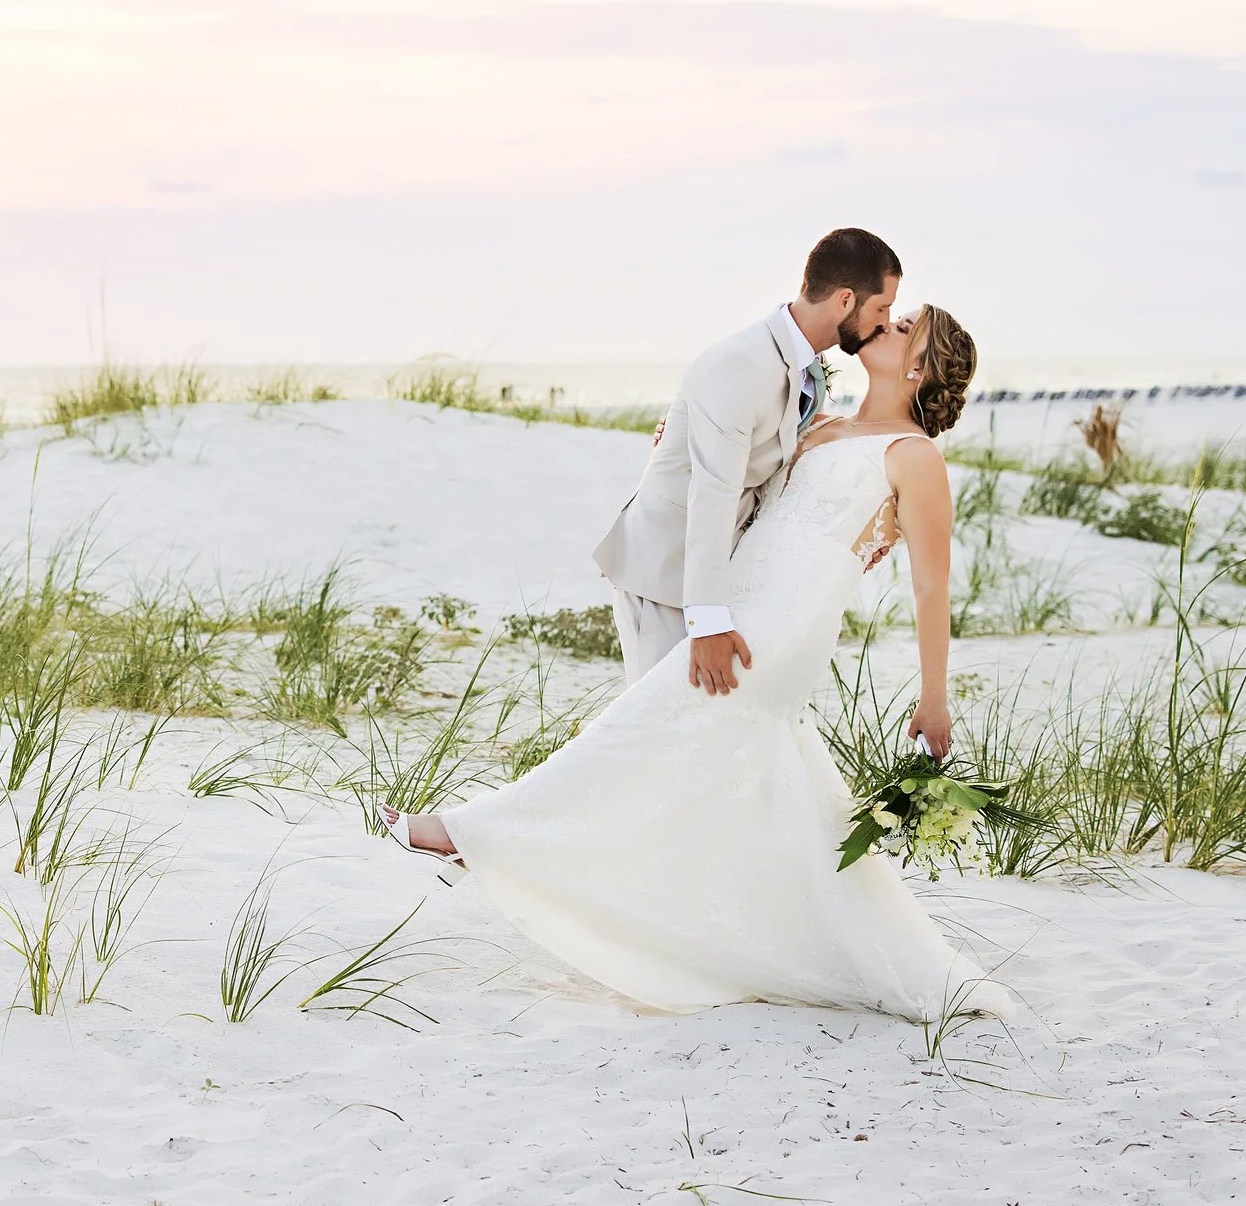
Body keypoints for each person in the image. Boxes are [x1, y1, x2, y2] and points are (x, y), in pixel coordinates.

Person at [382, 305, 1009, 1022]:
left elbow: (932, 586)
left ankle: (472, 834)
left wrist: (936, 698)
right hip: (735, 600)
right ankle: (807, 935)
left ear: (920, 368)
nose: (885, 324)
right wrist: (681, 443)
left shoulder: (913, 455)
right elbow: (735, 484)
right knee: (740, 768)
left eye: (904, 329)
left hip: (787, 622)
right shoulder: (824, 426)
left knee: (650, 720)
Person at [591, 227, 900, 685]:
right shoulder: (741, 363)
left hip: (713, 570)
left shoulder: (801, 365)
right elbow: (713, 492)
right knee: (659, 725)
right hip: (662, 568)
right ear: (845, 300)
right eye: (882, 308)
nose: (885, 322)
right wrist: (708, 621)